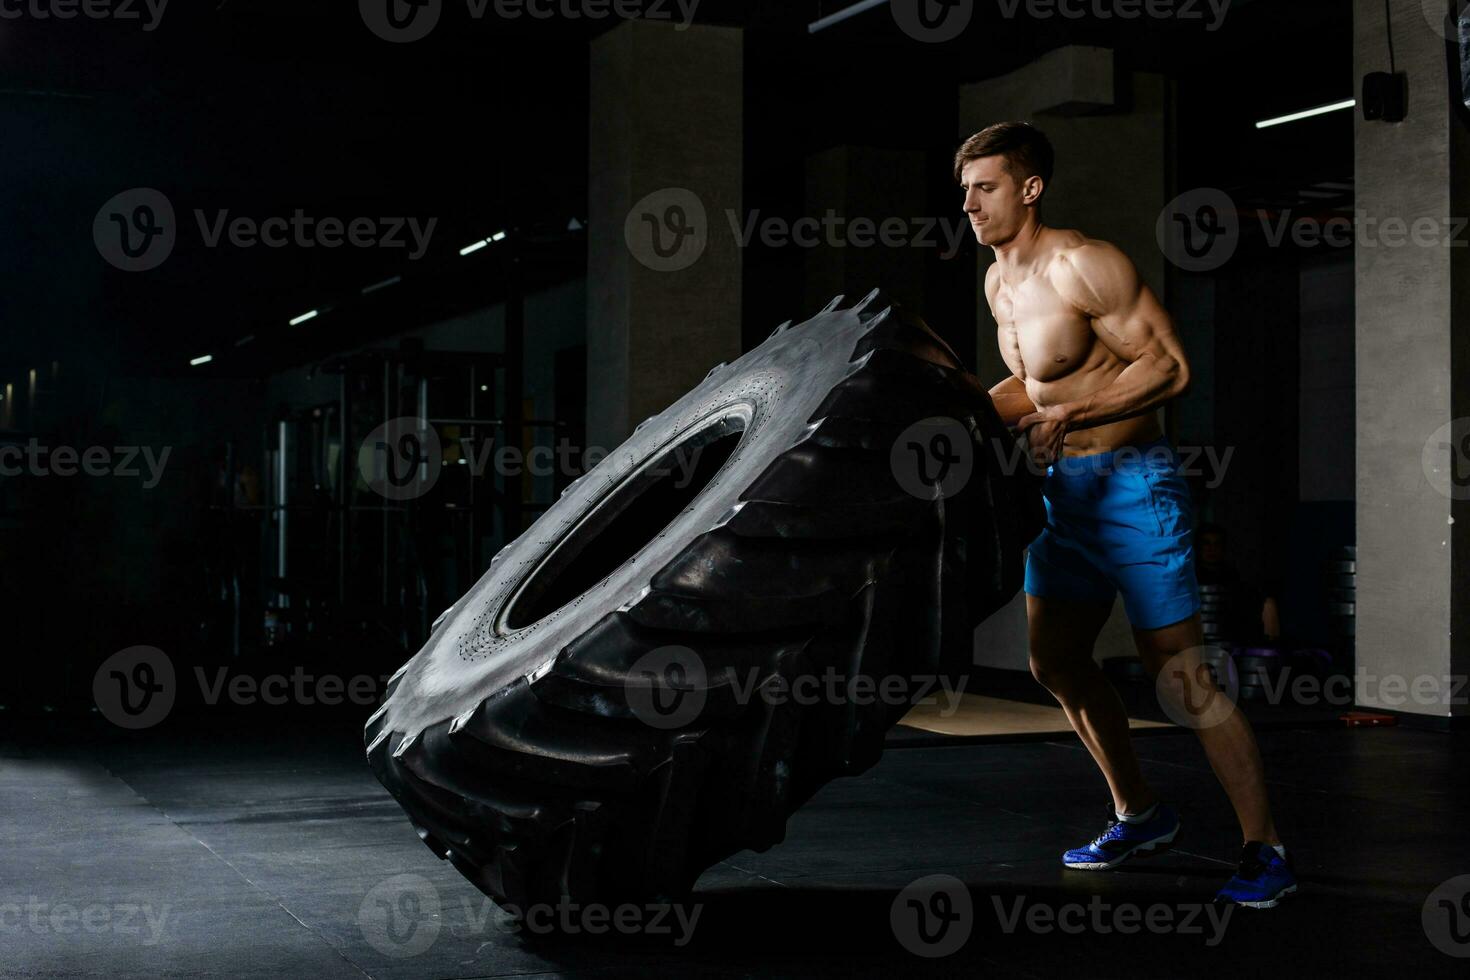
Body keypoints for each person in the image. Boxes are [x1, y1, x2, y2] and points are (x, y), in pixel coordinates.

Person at [955, 121, 1295, 908]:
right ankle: (1138, 811)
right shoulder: (998, 283)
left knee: (1181, 676)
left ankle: (1265, 847)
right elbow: (1036, 388)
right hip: (1063, 499)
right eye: (965, 190)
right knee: (1056, 662)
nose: (969, 204)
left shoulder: (1085, 263)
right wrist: (959, 411)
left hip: (1135, 485)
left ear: (1030, 188)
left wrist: (1072, 418)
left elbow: (1169, 365)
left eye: (986, 187)